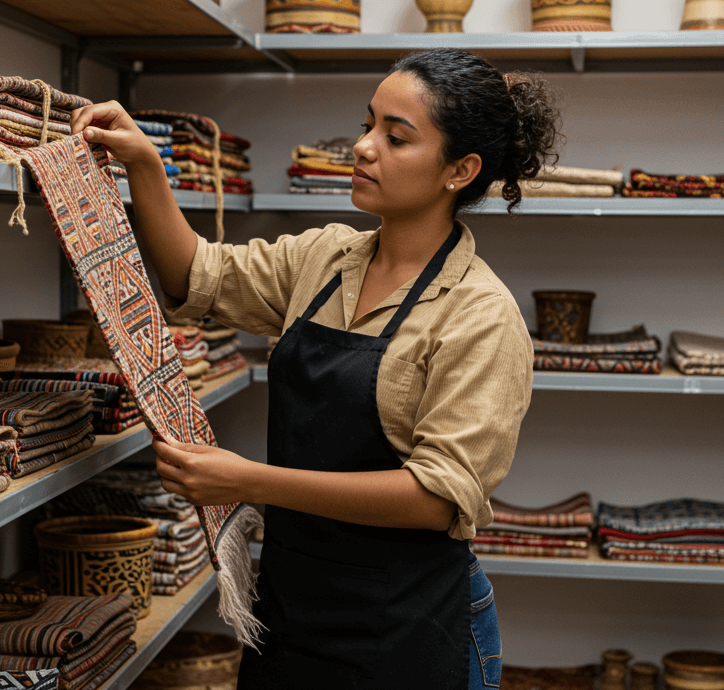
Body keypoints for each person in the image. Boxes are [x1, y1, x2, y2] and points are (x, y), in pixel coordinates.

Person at [71, 48, 558, 690]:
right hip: (293, 612)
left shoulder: (480, 315)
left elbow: (437, 498)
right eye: (367, 125)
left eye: (396, 136)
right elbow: (193, 277)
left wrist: (252, 481)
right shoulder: (325, 260)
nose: (362, 147)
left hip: (407, 629)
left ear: (459, 170)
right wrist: (144, 165)